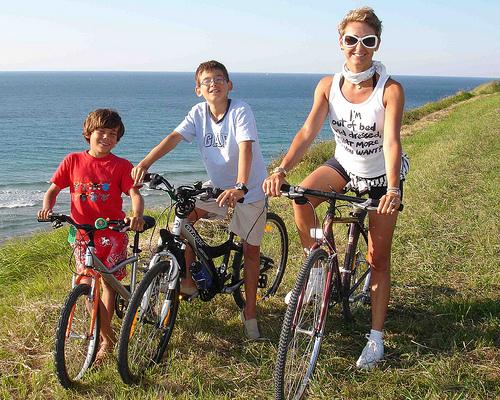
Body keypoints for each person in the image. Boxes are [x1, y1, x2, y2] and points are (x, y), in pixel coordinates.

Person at [263, 7, 409, 368]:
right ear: (340, 42)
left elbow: (391, 142)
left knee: (378, 260)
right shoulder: (328, 85)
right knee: (301, 198)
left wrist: (392, 189)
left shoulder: (390, 90)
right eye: (351, 40)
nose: (358, 47)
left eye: (367, 41)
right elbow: (307, 132)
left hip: (379, 176)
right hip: (343, 164)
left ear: (376, 45)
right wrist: (281, 168)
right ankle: (318, 267)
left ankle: (376, 339)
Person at [131, 60, 268, 340]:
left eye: (219, 79)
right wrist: (145, 163)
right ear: (198, 89)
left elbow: (245, 148)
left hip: (249, 190)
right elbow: (174, 137)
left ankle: (250, 313)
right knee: (182, 223)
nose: (213, 84)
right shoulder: (198, 113)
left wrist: (241, 185)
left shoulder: (240, 110)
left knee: (250, 252)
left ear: (229, 85)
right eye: (207, 81)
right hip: (216, 189)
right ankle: (188, 281)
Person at [38, 108, 145, 362]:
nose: (106, 138)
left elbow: (134, 195)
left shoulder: (121, 165)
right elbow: (53, 190)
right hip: (82, 234)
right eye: (101, 132)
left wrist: (136, 215)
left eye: (113, 134)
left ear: (118, 138)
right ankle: (107, 336)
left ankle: (105, 340)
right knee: (85, 285)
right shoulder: (73, 161)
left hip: (113, 233)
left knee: (108, 283)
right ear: (89, 133)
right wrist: (47, 207)